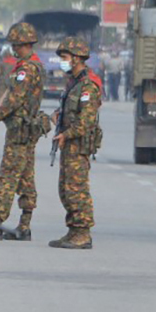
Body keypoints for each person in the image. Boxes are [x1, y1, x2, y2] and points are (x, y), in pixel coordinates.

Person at [0, 23, 47, 241]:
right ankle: (24, 225)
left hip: (19, 132)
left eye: (15, 44)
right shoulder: (35, 66)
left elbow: (13, 100)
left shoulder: (26, 70)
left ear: (19, 44)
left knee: (7, 178)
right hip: (28, 130)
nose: (13, 48)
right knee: (26, 178)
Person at [49, 35, 103, 249]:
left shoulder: (88, 86)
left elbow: (86, 121)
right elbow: (70, 110)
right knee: (65, 189)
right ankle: (73, 230)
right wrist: (57, 115)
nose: (62, 61)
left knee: (77, 189)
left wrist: (66, 134)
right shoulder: (74, 83)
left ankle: (83, 232)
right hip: (69, 144)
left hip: (78, 145)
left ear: (77, 58)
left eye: (65, 56)